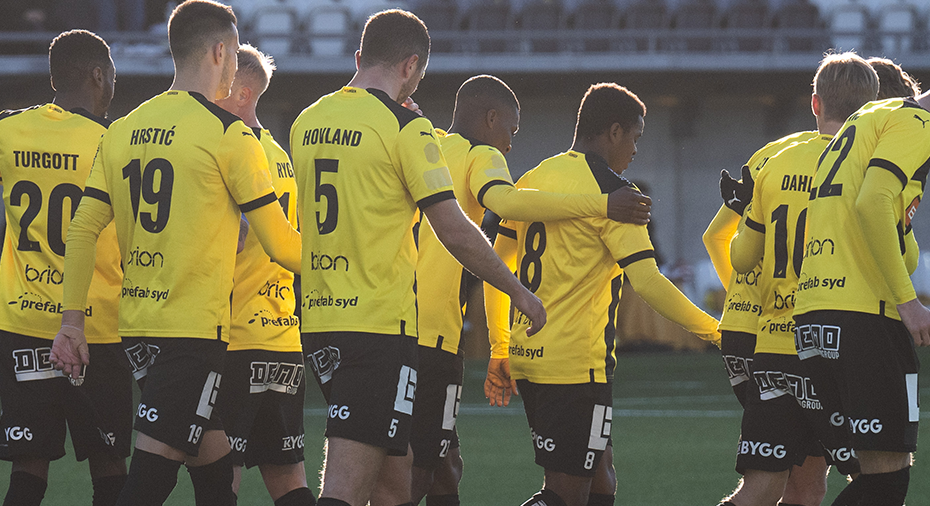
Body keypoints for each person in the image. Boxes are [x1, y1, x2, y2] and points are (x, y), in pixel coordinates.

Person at [290, 10, 547, 506]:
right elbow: (453, 229)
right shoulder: (408, 127)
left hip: (319, 318)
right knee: (344, 487)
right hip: (378, 327)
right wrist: (518, 291)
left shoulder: (308, 119)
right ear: (411, 66)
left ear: (360, 57)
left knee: (394, 479)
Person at [49, 2, 301, 506]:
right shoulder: (229, 135)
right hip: (192, 332)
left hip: (137, 325)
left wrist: (72, 321)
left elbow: (82, 231)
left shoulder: (121, 130)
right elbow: (283, 247)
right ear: (220, 52)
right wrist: (355, 253)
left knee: (214, 471)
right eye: (233, 54)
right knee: (152, 477)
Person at [403, 74, 652, 506]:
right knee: (417, 471)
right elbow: (508, 203)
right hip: (433, 339)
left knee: (444, 467)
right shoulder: (482, 154)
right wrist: (602, 204)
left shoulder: (427, 145)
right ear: (491, 119)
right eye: (511, 132)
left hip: (395, 325)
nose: (510, 145)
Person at [484, 83, 721, 506]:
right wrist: (716, 331)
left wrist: (500, 344)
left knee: (601, 478)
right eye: (635, 137)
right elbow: (647, 281)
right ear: (614, 131)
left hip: (529, 355)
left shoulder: (534, 178)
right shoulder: (617, 196)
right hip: (573, 365)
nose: (634, 149)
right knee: (564, 494)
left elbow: (497, 269)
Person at [723, 52, 879, 506]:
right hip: (834, 346)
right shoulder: (868, 165)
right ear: (872, 108)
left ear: (815, 104)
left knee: (768, 485)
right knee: (871, 479)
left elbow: (742, 256)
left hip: (773, 348)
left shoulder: (777, 162)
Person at [791, 60, 930, 506]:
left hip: (816, 315)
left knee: (871, 478)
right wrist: (910, 305)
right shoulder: (915, 122)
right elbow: (872, 205)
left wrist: (901, 222)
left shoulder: (861, 122)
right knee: (886, 482)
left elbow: (896, 242)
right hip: (866, 317)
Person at [0, 29, 130, 506]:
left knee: (28, 466)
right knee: (109, 465)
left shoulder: (9, 130)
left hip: (22, 322)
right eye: (112, 71)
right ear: (99, 75)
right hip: (95, 326)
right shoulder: (115, 141)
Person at [213, 44, 315, 506]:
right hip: (282, 338)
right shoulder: (281, 155)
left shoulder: (232, 151)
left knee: (220, 479)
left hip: (234, 337)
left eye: (219, 82)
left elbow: (230, 238)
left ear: (242, 91)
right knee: (289, 478)